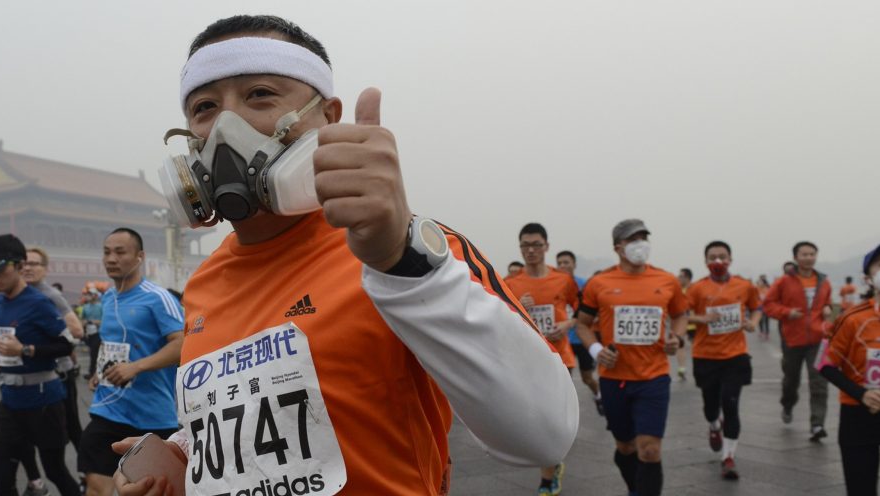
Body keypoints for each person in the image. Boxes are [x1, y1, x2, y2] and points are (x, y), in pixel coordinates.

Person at [113, 14, 578, 496]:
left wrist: (404, 265)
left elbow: (544, 437)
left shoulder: (408, 252)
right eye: (205, 107)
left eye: (260, 95)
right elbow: (263, 408)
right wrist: (185, 453)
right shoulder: (205, 282)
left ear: (329, 117)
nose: (227, 127)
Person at [575, 219, 688, 496]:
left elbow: (680, 315)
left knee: (649, 449)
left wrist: (677, 337)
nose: (640, 244)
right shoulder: (599, 283)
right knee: (625, 447)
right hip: (614, 379)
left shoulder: (666, 280)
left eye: (643, 238)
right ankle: (635, 485)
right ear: (618, 247)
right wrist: (596, 351)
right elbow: (582, 324)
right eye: (632, 239)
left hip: (654, 377)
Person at [79, 228, 184, 496]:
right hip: (108, 410)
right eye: (106, 252)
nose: (111, 258)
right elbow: (111, 341)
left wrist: (136, 367)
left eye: (120, 252)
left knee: (154, 489)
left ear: (140, 257)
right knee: (95, 486)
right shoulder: (107, 298)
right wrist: (100, 372)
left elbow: (183, 342)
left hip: (152, 415)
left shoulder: (157, 297)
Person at [0, 234, 81, 496]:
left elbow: (66, 344)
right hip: (10, 402)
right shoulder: (0, 302)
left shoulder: (39, 303)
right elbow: (6, 341)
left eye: (0, 269)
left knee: (55, 471)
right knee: (0, 476)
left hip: (44, 403)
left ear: (19, 266)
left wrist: (24, 350)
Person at [818, 240, 880, 495]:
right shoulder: (852, 319)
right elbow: (825, 365)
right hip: (860, 416)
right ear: (868, 279)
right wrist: (862, 394)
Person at [504, 224, 578, 495]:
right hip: (529, 360)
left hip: (561, 357)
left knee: (555, 417)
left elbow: (581, 311)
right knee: (540, 419)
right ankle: (552, 460)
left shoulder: (563, 280)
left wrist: (568, 323)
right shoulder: (510, 284)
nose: (531, 250)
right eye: (525, 245)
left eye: (536, 244)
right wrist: (517, 307)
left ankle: (547, 478)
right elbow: (501, 321)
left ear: (546, 246)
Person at [685, 241, 761, 480]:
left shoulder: (744, 285)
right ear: (705, 261)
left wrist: (753, 323)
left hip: (735, 356)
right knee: (710, 407)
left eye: (722, 257)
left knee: (731, 404)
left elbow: (756, 308)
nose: (718, 261)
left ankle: (728, 457)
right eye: (713, 257)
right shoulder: (697, 288)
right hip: (705, 356)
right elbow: (683, 315)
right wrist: (702, 318)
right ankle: (714, 425)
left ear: (730, 258)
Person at [22, 247, 86, 495]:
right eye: (24, 263)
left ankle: (87, 473)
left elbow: (77, 331)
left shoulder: (51, 295)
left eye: (34, 264)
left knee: (71, 426)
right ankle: (35, 481)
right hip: (34, 375)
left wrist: (48, 343)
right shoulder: (22, 294)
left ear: (45, 269)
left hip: (60, 373)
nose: (28, 267)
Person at [762, 241, 832, 441]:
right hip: (792, 340)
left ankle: (817, 424)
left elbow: (827, 302)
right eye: (804, 254)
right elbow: (768, 305)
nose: (809, 257)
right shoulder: (784, 281)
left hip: (817, 339)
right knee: (791, 381)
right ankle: (788, 404)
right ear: (796, 257)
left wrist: (827, 307)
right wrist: (787, 312)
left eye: (812, 254)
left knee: (819, 382)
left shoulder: (824, 281)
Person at [556, 250, 603, 416]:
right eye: (559, 263)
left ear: (574, 264)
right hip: (562, 341)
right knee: (563, 380)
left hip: (580, 339)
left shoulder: (584, 285)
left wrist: (572, 323)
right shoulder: (554, 284)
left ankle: (599, 395)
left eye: (566, 262)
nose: (563, 266)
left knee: (586, 377)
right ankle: (564, 413)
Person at [675, 268, 694, 381]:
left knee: (696, 346)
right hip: (681, 323)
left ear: (687, 277)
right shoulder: (677, 290)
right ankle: (682, 368)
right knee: (679, 344)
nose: (678, 278)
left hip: (694, 324)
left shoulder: (694, 289)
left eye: (681, 276)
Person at [80, 289, 103, 380]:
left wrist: (96, 322)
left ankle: (93, 373)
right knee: (92, 353)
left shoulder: (101, 306)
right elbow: (82, 319)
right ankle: (93, 372)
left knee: (95, 353)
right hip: (89, 332)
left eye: (91, 294)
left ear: (96, 296)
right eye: (88, 294)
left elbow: (105, 320)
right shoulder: (85, 307)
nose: (89, 296)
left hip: (99, 332)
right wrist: (83, 327)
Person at [756, 275, 772, 339]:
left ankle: (767, 333)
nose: (760, 283)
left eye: (761, 282)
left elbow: (770, 297)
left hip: (766, 306)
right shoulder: (756, 289)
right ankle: (761, 331)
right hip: (759, 306)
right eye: (759, 282)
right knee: (760, 320)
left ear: (764, 282)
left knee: (767, 320)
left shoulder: (767, 288)